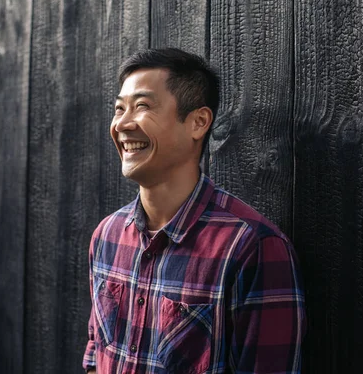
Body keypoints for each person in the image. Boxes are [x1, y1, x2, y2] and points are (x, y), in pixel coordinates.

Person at [83, 48, 305, 373]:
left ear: (198, 123)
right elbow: (95, 354)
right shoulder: (107, 236)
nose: (123, 123)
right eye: (119, 109)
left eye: (142, 106)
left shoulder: (252, 248)